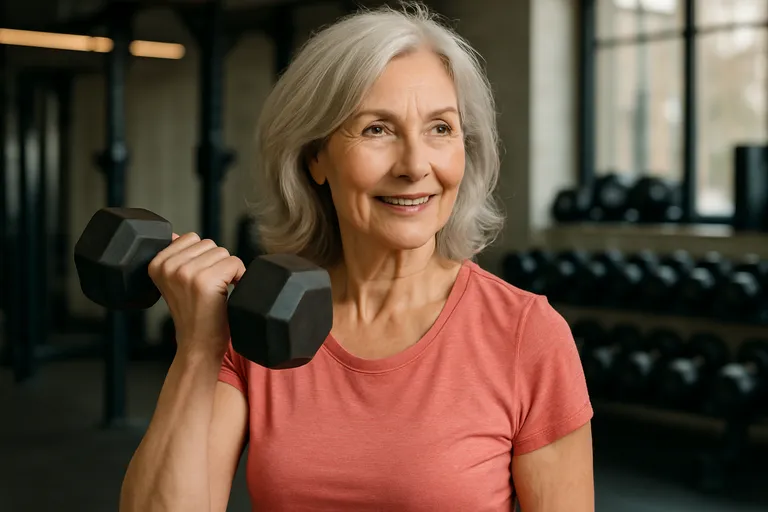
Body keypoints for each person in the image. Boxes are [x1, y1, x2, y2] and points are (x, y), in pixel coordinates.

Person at [119, 3, 594, 511]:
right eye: (376, 129)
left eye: (440, 128)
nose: (415, 165)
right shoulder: (256, 327)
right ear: (315, 157)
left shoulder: (526, 335)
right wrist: (198, 348)